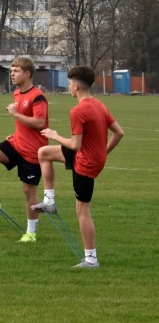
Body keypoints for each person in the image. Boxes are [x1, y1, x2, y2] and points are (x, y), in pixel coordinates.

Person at [31, 66, 124, 268]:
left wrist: (54, 135)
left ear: (75, 85)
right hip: (90, 157)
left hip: (85, 163)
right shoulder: (99, 105)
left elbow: (75, 145)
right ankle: (49, 201)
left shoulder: (78, 111)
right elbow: (119, 133)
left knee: (82, 210)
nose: (69, 88)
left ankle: (91, 259)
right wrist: (103, 152)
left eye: (70, 84)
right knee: (44, 153)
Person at [0, 57, 49, 242]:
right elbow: (24, 123)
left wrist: (15, 114)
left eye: (15, 71)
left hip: (33, 151)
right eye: (11, 71)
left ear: (27, 74)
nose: (12, 74)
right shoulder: (17, 93)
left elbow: (40, 123)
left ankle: (31, 233)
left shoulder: (38, 96)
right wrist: (16, 133)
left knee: (28, 191)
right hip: (17, 144)